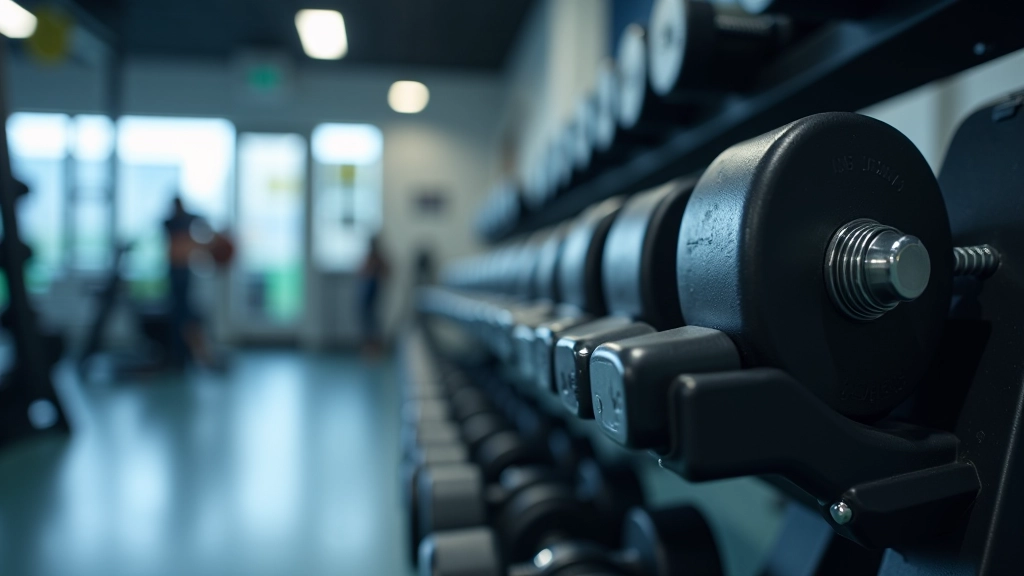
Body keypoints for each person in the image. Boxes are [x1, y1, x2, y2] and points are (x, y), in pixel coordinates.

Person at [164, 196, 214, 368]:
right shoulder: (168, 222)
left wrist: (203, 243)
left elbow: (205, 221)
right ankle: (177, 352)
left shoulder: (189, 218)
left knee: (185, 311)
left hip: (184, 272)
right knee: (177, 312)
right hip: (172, 272)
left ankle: (189, 352)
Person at [358, 234, 390, 354]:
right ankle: (369, 346)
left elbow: (387, 271)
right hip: (366, 293)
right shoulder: (369, 257)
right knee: (367, 319)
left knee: (373, 320)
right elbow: (361, 272)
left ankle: (375, 347)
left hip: (373, 292)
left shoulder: (378, 258)